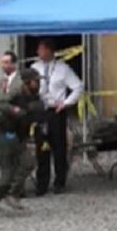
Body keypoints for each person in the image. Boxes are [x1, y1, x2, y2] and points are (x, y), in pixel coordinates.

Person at [0, 69, 47, 214]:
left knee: (28, 163)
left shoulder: (33, 96)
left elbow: (34, 114)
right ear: (28, 82)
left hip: (20, 137)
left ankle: (13, 193)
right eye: (36, 80)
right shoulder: (16, 93)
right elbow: (0, 105)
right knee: (7, 175)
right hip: (6, 135)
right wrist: (14, 110)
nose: (38, 83)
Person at [29, 39, 83, 195]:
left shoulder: (62, 68)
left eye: (41, 49)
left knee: (59, 147)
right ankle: (42, 183)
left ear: (49, 51)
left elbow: (78, 87)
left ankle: (60, 181)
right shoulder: (35, 68)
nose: (38, 52)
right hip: (40, 111)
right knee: (41, 148)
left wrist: (66, 103)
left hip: (56, 111)